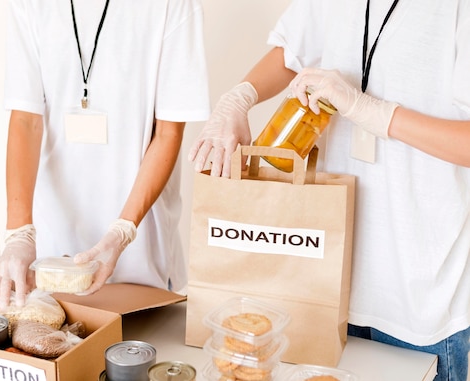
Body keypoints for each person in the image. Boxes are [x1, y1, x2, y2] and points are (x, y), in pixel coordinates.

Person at [188, 1, 470, 380]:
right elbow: (292, 51)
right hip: (322, 287)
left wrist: (375, 112)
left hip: (417, 300)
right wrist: (239, 97)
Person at [0, 0, 210, 309]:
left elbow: (168, 133)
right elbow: (26, 120)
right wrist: (19, 234)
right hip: (53, 249)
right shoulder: (30, 5)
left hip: (140, 245)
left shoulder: (172, 5)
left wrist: (123, 231)